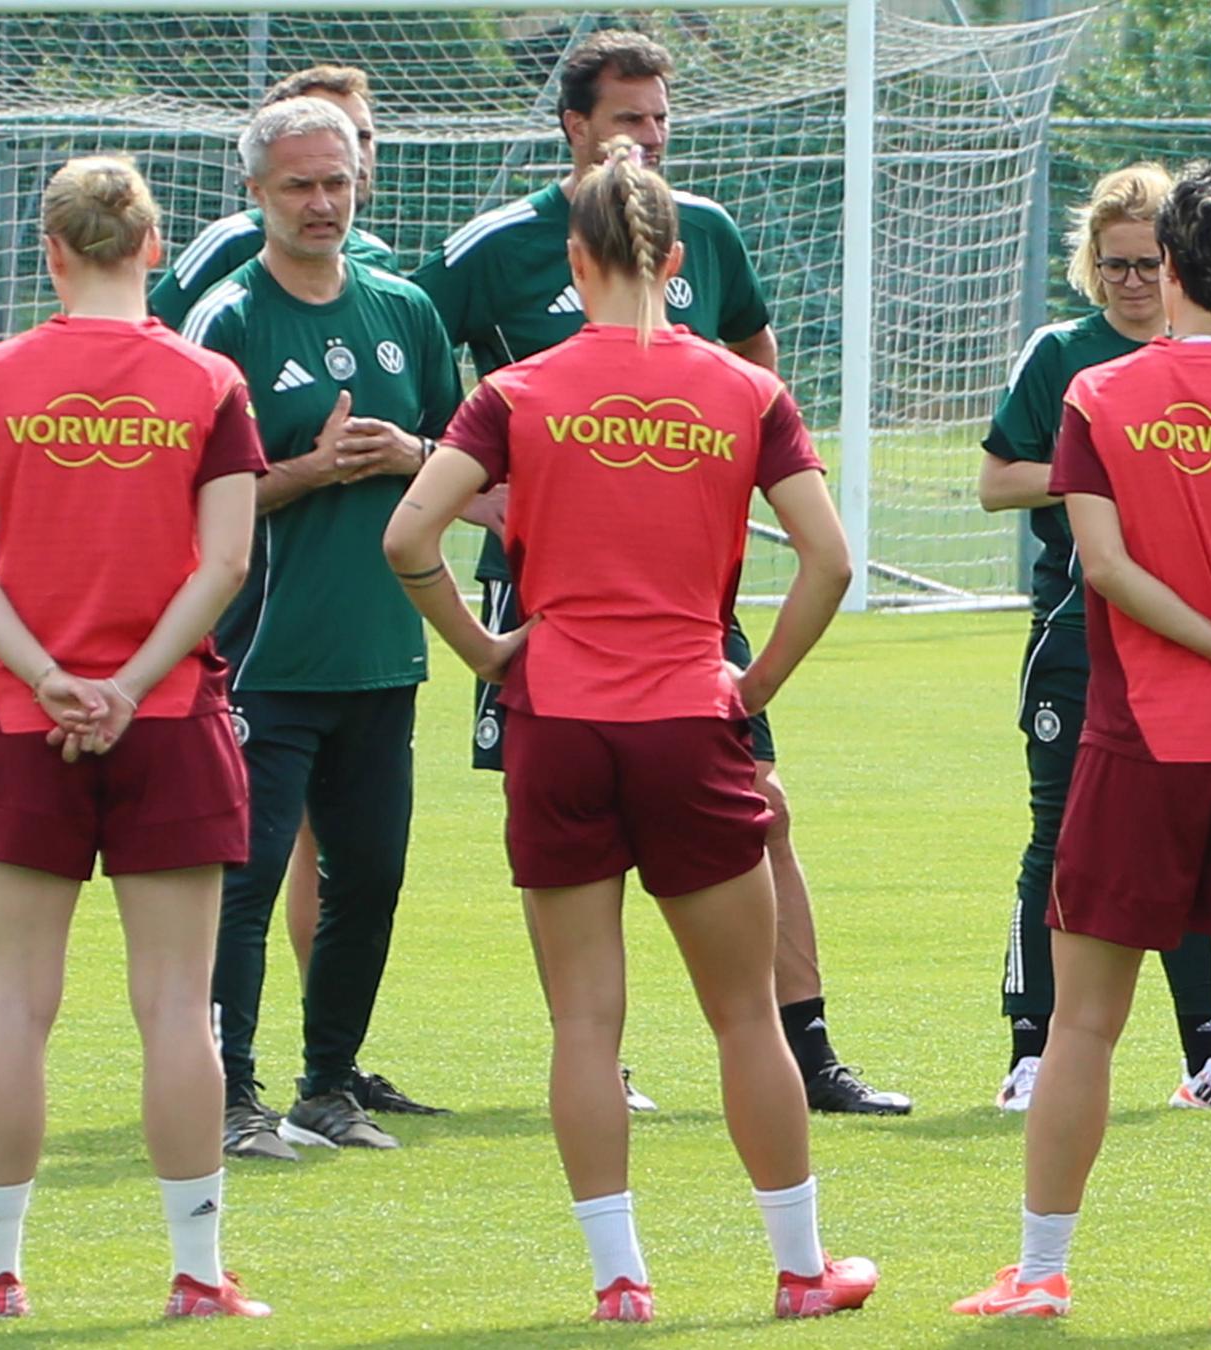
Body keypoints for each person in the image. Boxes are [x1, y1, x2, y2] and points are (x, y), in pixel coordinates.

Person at [384, 138, 876, 1324]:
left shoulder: (516, 391)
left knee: (585, 1022)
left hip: (556, 720)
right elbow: (830, 561)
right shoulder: (743, 390)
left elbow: (409, 540)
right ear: (672, 259)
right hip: (687, 719)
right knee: (744, 1012)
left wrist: (484, 648)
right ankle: (801, 1271)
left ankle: (619, 1283)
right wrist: (757, 691)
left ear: (574, 256)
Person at [412, 27, 906, 1116]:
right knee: (586, 825)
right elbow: (411, 359)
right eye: (628, 117)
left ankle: (807, 1046)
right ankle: (607, 1059)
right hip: (550, 601)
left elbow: (755, 366)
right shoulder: (497, 246)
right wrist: (465, 479)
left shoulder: (705, 232)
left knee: (759, 805)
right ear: (575, 127)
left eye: (661, 119)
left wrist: (713, 470)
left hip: (689, 601)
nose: (647, 137)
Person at [954, 165, 1211, 1330]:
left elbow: (1111, 573)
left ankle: (1039, 1271)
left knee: (1085, 1022)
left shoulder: (1104, 396)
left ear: (1167, 267)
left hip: (1139, 743)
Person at [0, 156, 270, 1321]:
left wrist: (50, 678)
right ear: (154, 248)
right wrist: (125, 684)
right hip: (168, 718)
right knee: (179, 1007)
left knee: (14, 1005)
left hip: (28, 723)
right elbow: (224, 561)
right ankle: (195, 1273)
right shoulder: (209, 378)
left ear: (51, 251)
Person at [157, 64, 443, 1119]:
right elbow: (177, 497)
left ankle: (330, 1085)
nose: (322, 203)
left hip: (384, 648)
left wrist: (406, 450)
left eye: (336, 181)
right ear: (257, 197)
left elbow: (461, 459)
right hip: (262, 658)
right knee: (244, 880)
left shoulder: (406, 312)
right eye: (297, 188)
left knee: (369, 881)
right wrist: (312, 472)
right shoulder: (227, 322)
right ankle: (229, 1094)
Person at [977, 162, 1211, 1114]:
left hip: (1189, 638)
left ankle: (1208, 1052)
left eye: (1147, 264)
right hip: (1078, 631)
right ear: (1092, 263)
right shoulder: (1060, 353)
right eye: (1115, 264)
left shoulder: (1206, 355)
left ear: (1178, 265)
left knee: (1193, 836)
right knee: (1062, 835)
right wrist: (1097, 471)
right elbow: (999, 480)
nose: (1131, 281)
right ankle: (1031, 1049)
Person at [150, 64, 397, 329]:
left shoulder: (378, 257)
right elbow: (155, 339)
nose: (354, 154)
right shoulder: (231, 243)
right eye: (325, 131)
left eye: (363, 137)